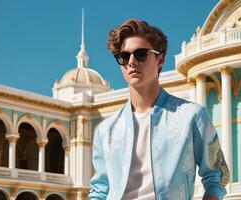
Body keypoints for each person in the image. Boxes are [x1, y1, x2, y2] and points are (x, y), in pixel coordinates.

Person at [89, 19, 230, 200]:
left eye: (140, 54)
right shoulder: (106, 130)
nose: (131, 62)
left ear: (160, 59)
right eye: (124, 57)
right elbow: (99, 191)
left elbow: (216, 175)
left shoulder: (191, 116)